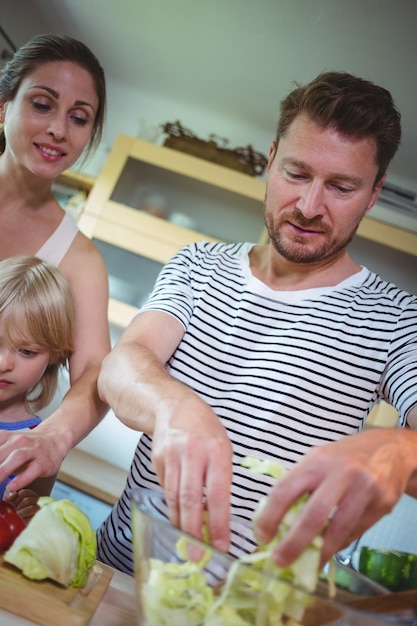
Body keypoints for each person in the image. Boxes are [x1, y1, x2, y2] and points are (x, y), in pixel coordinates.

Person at [96, 71, 417, 576]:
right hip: (114, 576)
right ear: (270, 161)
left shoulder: (399, 320)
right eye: (296, 174)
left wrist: (401, 447)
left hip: (254, 610)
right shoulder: (198, 263)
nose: (311, 207)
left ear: (374, 193)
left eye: (341, 187)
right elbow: (122, 366)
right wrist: (170, 403)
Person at [0, 34, 111, 499]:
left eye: (79, 118)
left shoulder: (80, 259)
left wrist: (49, 437)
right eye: (42, 104)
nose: (59, 131)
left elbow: (94, 374)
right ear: (4, 106)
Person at [0, 256, 75, 522]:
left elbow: (23, 538)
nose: (3, 363)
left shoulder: (40, 442)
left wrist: (26, 517)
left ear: (55, 356)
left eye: (26, 351)